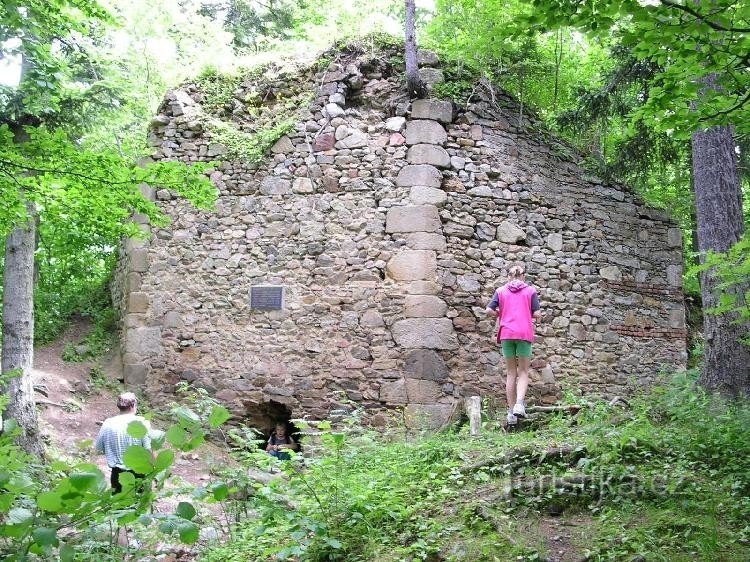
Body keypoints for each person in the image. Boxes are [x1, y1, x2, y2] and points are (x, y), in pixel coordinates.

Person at [486, 265, 541, 426]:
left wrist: (500, 313)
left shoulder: (500, 291)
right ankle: (519, 404)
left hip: (506, 334)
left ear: (508, 276)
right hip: (523, 333)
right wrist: (533, 315)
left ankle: (511, 414)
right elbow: (537, 314)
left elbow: (488, 311)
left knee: (511, 373)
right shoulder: (530, 291)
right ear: (523, 276)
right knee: (523, 371)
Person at [95, 392, 152, 494]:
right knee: (138, 507)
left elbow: (99, 448)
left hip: (117, 475)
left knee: (118, 507)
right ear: (133, 405)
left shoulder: (108, 423)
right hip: (138, 472)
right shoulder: (142, 422)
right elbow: (148, 450)